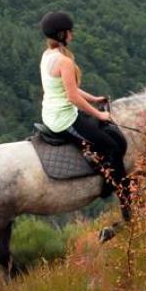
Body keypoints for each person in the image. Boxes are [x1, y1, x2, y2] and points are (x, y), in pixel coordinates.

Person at [39, 11, 131, 220]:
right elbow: (71, 96)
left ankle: (110, 179)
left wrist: (93, 99)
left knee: (109, 136)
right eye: (69, 32)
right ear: (61, 34)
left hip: (54, 112)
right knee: (111, 146)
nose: (72, 35)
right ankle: (125, 200)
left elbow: (66, 89)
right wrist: (99, 115)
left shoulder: (48, 56)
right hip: (64, 120)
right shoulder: (64, 62)